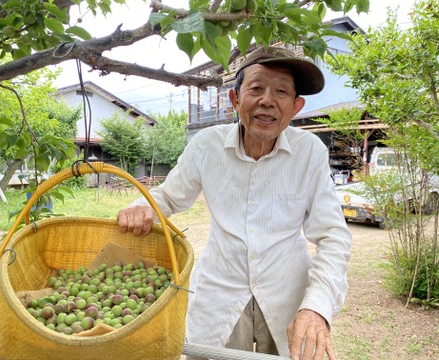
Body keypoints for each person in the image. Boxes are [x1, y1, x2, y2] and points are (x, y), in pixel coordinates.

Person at [117, 46, 352, 360]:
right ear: (235, 99)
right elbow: (168, 197)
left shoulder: (310, 152)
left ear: (295, 107)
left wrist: (316, 307)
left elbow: (332, 235)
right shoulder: (206, 146)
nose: (267, 100)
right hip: (219, 294)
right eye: (256, 88)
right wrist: (140, 206)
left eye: (281, 91)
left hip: (288, 295)